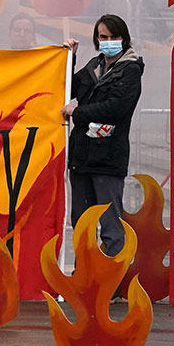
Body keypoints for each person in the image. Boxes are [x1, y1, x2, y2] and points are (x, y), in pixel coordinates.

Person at [62, 14, 143, 258]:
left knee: (111, 227)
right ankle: (84, 278)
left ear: (124, 39)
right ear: (97, 40)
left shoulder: (130, 71)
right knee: (82, 225)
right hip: (81, 158)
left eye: (113, 36)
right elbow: (67, 86)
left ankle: (115, 283)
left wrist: (79, 112)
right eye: (103, 37)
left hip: (108, 160)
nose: (108, 41)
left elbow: (116, 108)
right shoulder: (92, 67)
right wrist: (69, 58)